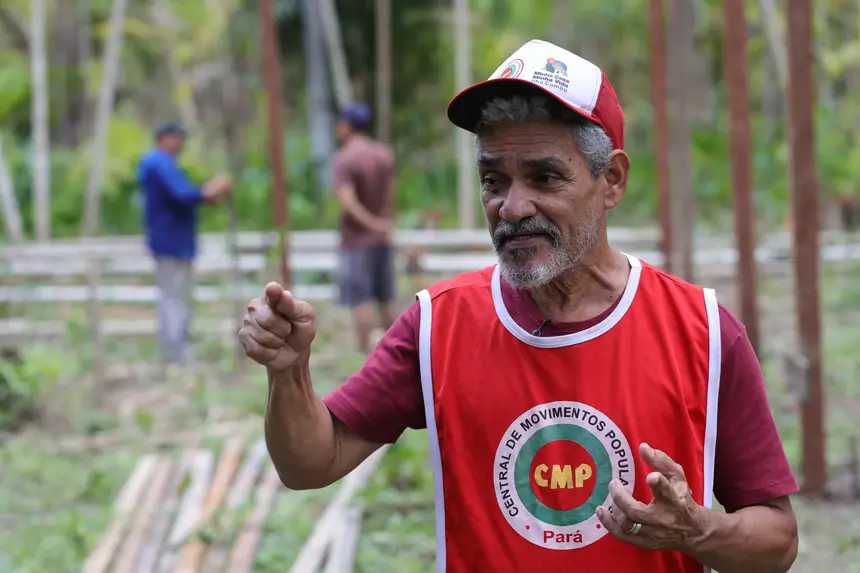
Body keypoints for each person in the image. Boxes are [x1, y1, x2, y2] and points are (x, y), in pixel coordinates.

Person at [238, 40, 799, 573]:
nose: (512, 207)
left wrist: (696, 531)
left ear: (613, 181)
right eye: (493, 180)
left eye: (544, 176)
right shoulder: (440, 324)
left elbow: (778, 542)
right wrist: (289, 376)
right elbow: (311, 461)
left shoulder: (701, 329)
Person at [137, 122, 232, 366]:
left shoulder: (162, 163)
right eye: (177, 139)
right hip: (170, 243)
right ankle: (176, 355)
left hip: (175, 241)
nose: (180, 144)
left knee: (175, 296)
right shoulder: (157, 162)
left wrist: (203, 196)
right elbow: (182, 194)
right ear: (166, 138)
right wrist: (207, 192)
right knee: (174, 297)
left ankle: (173, 353)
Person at [332, 102, 398, 353]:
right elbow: (391, 194)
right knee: (385, 297)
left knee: (360, 299)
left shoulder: (344, 158)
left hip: (356, 240)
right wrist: (384, 223)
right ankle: (398, 351)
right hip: (382, 238)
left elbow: (347, 201)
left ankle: (362, 355)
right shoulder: (384, 155)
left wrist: (370, 224)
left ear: (348, 127)